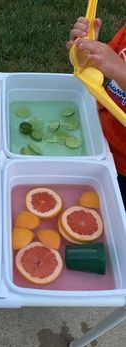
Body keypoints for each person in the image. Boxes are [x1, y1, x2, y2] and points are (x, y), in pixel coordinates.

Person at [67, 17, 126, 208]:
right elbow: (103, 68)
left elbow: (116, 67)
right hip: (98, 136)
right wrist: (88, 54)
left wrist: (119, 69)